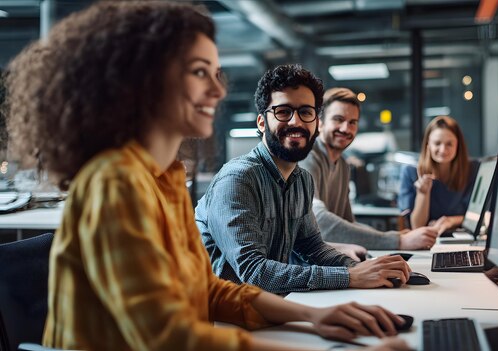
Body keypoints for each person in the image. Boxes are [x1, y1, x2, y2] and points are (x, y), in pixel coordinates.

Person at [3, 3, 411, 350]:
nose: (217, 90)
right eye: (200, 72)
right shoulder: (114, 182)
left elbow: (208, 289)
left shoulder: (167, 179)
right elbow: (168, 336)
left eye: (215, 73)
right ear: (144, 83)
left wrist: (315, 317)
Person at [195, 64, 411, 295]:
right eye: (283, 111)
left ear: (316, 123)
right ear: (261, 122)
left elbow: (313, 247)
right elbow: (253, 272)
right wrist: (349, 276)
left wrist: (364, 269)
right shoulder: (237, 179)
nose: (296, 122)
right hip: (221, 321)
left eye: (305, 112)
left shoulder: (302, 181)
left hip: (270, 309)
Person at [299, 87, 437, 250]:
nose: (346, 128)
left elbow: (349, 224)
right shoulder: (307, 157)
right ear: (319, 123)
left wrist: (397, 236)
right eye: (338, 119)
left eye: (352, 122)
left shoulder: (343, 166)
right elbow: (318, 222)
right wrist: (397, 242)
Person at [398, 116, 479, 233]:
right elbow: (417, 226)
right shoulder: (410, 171)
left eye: (449, 144)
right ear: (428, 145)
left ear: (458, 145)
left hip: (461, 237)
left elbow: (481, 216)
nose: (443, 150)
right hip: (426, 240)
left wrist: (450, 221)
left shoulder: (473, 169)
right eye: (437, 143)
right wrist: (423, 193)